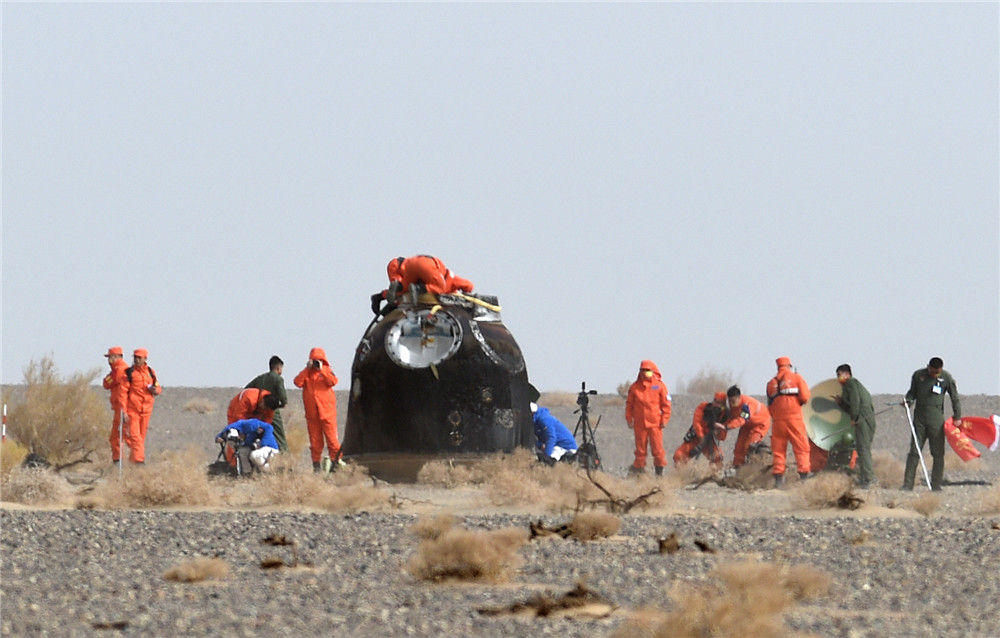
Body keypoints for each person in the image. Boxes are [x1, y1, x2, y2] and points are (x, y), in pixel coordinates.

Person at [903, 357, 962, 491]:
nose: (935, 374)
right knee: (914, 451)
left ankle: (936, 485)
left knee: (938, 453)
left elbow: (955, 397)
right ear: (928, 367)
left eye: (937, 372)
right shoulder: (918, 375)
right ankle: (907, 484)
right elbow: (912, 393)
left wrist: (957, 416)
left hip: (936, 421)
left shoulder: (946, 378)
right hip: (919, 420)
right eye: (933, 371)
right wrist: (908, 400)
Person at [371, 255, 475, 314]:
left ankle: (380, 297)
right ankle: (417, 288)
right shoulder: (451, 280)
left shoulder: (431, 280)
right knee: (439, 288)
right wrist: (467, 294)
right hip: (425, 264)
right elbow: (469, 285)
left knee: (403, 290)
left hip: (410, 264)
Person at [294, 347, 341, 472]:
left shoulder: (326, 371)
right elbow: (297, 382)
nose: (315, 362)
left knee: (333, 442)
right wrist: (306, 368)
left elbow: (333, 381)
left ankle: (336, 466)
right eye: (314, 360)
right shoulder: (307, 373)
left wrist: (322, 370)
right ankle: (316, 467)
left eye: (318, 360)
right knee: (315, 443)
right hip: (312, 415)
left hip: (327, 413)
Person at [766, 356, 810, 487]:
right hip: (794, 419)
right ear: (789, 366)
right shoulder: (797, 378)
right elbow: (805, 397)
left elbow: (769, 404)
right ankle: (804, 479)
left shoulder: (770, 383)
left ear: (778, 367)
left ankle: (779, 480)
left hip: (778, 421)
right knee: (801, 447)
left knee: (778, 450)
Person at [832, 364, 877, 488]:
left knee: (863, 448)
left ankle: (869, 479)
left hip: (863, 418)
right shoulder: (848, 387)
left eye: (839, 374)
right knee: (861, 448)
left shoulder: (851, 383)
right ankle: (864, 477)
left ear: (847, 374)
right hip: (862, 417)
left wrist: (854, 418)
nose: (838, 378)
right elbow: (850, 405)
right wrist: (840, 402)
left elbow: (856, 402)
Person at [625, 360, 672, 475]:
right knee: (640, 451)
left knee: (658, 449)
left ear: (652, 371)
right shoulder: (634, 388)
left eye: (647, 370)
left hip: (655, 424)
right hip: (639, 424)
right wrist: (629, 419)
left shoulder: (660, 386)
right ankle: (639, 473)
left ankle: (659, 474)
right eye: (642, 370)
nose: (644, 373)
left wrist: (665, 419)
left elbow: (667, 404)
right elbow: (629, 405)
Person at [123, 348, 161, 464]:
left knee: (141, 438)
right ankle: (139, 461)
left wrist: (156, 390)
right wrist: (124, 411)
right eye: (135, 357)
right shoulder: (129, 373)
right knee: (135, 437)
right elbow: (123, 393)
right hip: (133, 410)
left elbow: (158, 386)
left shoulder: (150, 372)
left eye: (139, 358)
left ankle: (133, 462)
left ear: (145, 359)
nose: (137, 360)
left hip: (146, 411)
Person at [245, 356, 289, 451]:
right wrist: (280, 404)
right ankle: (285, 458)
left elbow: (247, 389)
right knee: (279, 437)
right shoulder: (278, 379)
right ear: (278, 368)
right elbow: (284, 399)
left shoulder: (260, 378)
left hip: (258, 412)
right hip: (272, 412)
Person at [723, 385, 772, 467]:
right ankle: (737, 468)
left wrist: (727, 427)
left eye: (733, 401)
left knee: (749, 446)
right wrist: (722, 426)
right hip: (747, 425)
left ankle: (757, 463)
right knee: (739, 448)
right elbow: (732, 417)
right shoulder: (732, 404)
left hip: (760, 424)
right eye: (730, 401)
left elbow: (742, 420)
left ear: (739, 397)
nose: (731, 403)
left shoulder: (748, 405)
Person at [673, 394, 727, 467]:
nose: (715, 404)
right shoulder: (704, 407)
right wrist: (701, 436)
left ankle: (716, 475)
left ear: (723, 405)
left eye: (719, 402)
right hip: (696, 438)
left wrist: (719, 430)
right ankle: (680, 476)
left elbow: (722, 437)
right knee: (678, 456)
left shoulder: (725, 415)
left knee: (717, 457)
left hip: (710, 442)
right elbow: (696, 422)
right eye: (715, 401)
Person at [215, 418, 280, 474]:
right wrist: (219, 437)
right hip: (255, 447)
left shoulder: (262, 426)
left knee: (255, 455)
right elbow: (227, 429)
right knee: (242, 451)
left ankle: (269, 472)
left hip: (270, 449)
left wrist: (262, 443)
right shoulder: (240, 425)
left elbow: (269, 427)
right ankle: (247, 473)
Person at [101, 346, 129, 464]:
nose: (109, 360)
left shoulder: (119, 370)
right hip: (123, 408)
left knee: (116, 437)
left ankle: (118, 463)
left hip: (121, 408)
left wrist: (123, 410)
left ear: (117, 357)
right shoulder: (123, 369)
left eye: (110, 357)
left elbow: (107, 384)